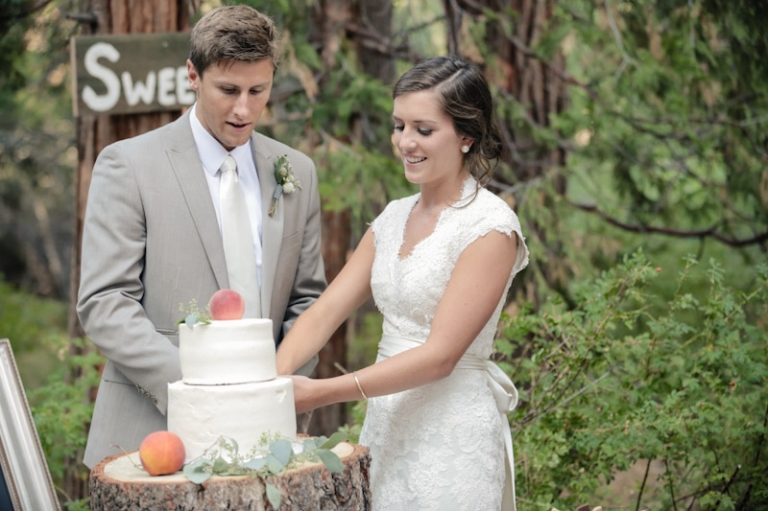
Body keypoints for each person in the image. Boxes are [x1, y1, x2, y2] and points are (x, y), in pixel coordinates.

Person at [77, 5, 326, 469]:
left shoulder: (297, 171)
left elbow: (308, 299)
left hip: (268, 435)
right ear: (193, 75)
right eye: (228, 90)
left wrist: (273, 385)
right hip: (152, 435)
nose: (244, 109)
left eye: (258, 90)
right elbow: (105, 302)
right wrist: (199, 389)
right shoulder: (129, 165)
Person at [276, 55, 529, 510]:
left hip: (452, 440)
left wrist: (320, 392)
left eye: (423, 130)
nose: (405, 142)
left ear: (466, 136)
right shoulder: (392, 217)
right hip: (386, 429)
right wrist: (270, 383)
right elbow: (325, 312)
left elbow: (440, 356)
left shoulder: (490, 227)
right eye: (399, 126)